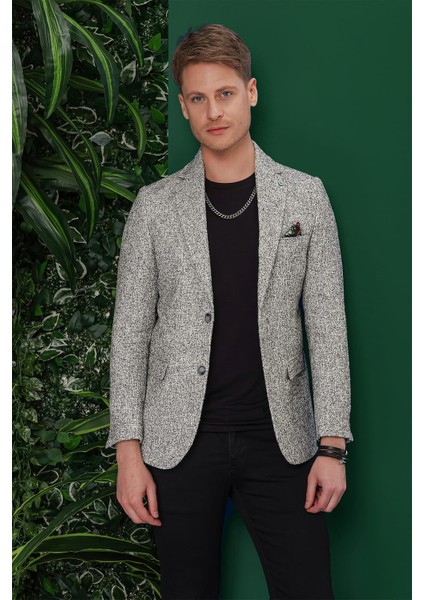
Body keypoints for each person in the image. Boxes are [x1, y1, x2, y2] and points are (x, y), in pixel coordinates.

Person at [105, 23, 354, 600]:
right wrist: (128, 454)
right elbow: (130, 334)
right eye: (198, 98)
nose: (213, 111)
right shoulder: (154, 207)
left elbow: (327, 326)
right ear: (183, 106)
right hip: (178, 444)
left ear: (251, 92)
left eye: (225, 93)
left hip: (283, 441)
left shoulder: (305, 196)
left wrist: (332, 446)